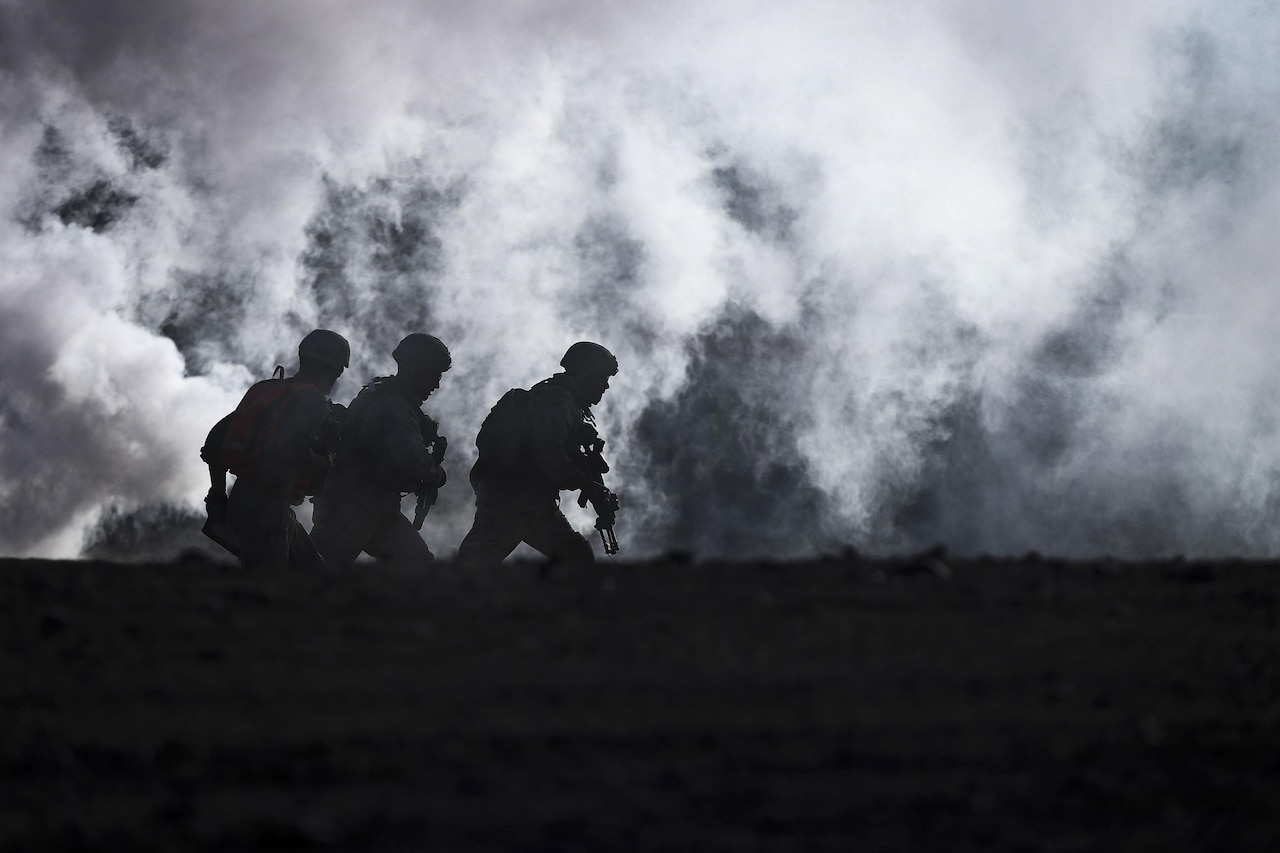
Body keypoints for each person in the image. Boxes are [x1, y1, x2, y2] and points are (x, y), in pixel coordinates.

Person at [457, 341, 620, 565]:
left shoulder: (563, 402)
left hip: (527, 501)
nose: (605, 386)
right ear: (586, 375)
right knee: (472, 567)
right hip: (515, 500)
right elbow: (548, 453)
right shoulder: (557, 402)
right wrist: (584, 483)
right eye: (602, 378)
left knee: (576, 557)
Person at [201, 329, 349, 570]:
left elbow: (216, 441)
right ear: (332, 369)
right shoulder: (313, 403)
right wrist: (327, 460)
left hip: (248, 501)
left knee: (315, 573)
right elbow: (292, 450)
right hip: (268, 512)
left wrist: (217, 493)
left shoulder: (268, 390)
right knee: (265, 591)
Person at [310, 333, 452, 570]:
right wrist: (438, 475)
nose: (436, 385)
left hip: (376, 506)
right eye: (434, 375)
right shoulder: (394, 405)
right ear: (418, 370)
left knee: (420, 569)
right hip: (353, 505)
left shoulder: (383, 394)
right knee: (316, 571)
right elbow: (414, 459)